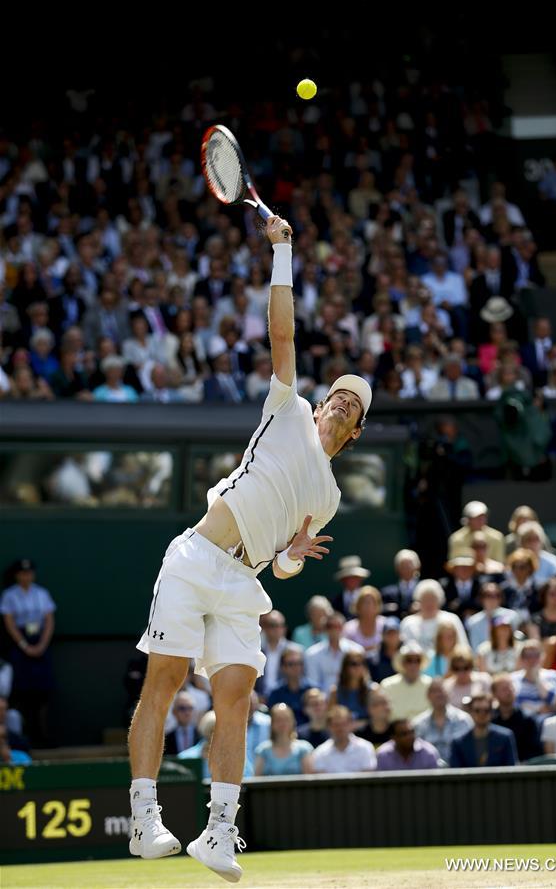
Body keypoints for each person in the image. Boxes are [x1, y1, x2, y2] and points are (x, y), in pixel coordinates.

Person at [128, 216, 373, 881]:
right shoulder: (286, 405)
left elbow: (288, 568)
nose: (341, 404)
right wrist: (284, 250)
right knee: (166, 677)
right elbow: (282, 331)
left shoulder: (323, 498)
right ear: (321, 402)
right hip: (196, 556)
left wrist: (293, 550)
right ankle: (145, 816)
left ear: (352, 433)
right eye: (339, 395)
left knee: (235, 700)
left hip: (242, 585)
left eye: (354, 407)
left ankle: (217, 831)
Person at [0, 559, 56, 746]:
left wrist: (42, 644)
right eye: (23, 573)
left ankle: (44, 736)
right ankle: (23, 737)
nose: (27, 576)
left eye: (29, 572)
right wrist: (24, 645)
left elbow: (49, 619)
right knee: (21, 691)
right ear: (17, 575)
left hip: (40, 642)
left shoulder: (42, 593)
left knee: (43, 691)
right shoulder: (9, 595)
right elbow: (9, 622)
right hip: (20, 644)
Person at [412, 678, 473, 762]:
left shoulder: (464, 720)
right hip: (429, 771)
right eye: (434, 691)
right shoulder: (418, 723)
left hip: (458, 771)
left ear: (449, 694)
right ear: (428, 696)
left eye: (442, 690)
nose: (439, 694)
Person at [400, 580, 468, 654]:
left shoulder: (451, 619)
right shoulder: (408, 623)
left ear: (440, 600)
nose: (429, 603)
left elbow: (463, 647)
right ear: (419, 601)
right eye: (425, 599)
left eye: (432, 599)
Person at [449, 693, 517, 767]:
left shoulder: (505, 738)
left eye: (486, 710)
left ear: (491, 712)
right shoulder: (458, 742)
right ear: (471, 712)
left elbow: (511, 769)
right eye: (477, 710)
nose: (482, 714)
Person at [305, 611, 363, 693]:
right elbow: (313, 685)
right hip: (322, 703)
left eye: (337, 626)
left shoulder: (357, 650)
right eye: (330, 626)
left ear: (343, 628)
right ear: (324, 629)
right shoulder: (312, 654)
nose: (334, 630)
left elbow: (361, 680)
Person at [491, 673, 542, 762]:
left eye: (511, 687)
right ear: (494, 694)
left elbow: (534, 753)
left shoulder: (528, 720)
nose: (510, 691)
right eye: (504, 689)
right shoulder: (490, 721)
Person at [311, 705, 377, 774]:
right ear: (329, 727)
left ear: (351, 724)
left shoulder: (365, 747)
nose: (340, 728)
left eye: (343, 724)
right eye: (336, 725)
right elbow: (322, 782)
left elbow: (368, 779)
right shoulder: (320, 752)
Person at [254, 703, 313, 776]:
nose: (282, 723)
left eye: (286, 719)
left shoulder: (304, 749)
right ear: (272, 723)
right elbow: (256, 780)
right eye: (278, 720)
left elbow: (309, 780)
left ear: (293, 722)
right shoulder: (262, 750)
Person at [380, 642, 432, 721]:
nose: (413, 664)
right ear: (402, 663)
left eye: (417, 660)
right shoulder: (387, 685)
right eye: (409, 660)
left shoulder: (430, 684)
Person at [511, 640, 556, 717]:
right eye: (527, 656)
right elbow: (511, 705)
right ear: (521, 659)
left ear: (543, 656)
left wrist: (537, 679)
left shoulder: (553, 676)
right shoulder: (513, 678)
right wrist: (537, 708)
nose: (532, 659)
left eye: (536, 655)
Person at [267, 647, 314, 726]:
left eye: (299, 663)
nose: (296, 667)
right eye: (291, 664)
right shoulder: (275, 693)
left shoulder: (313, 690)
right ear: (283, 667)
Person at [466, 583, 519, 651]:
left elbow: (516, 644)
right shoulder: (473, 622)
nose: (492, 599)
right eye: (488, 595)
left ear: (501, 599)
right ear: (481, 599)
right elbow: (475, 650)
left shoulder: (513, 617)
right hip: (483, 659)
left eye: (496, 596)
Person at [328, 650, 374, 728]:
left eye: (362, 663)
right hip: (343, 731)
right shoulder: (335, 691)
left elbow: (376, 718)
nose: (358, 667)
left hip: (368, 732)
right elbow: (331, 718)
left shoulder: (372, 690)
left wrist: (359, 724)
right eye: (354, 664)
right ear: (345, 667)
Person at [376, 718, 441, 770]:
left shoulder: (428, 753)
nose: (409, 737)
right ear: (394, 738)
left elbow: (435, 783)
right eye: (404, 734)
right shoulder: (383, 755)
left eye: (412, 732)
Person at [342, 586, 386, 658]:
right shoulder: (348, 628)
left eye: (372, 602)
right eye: (365, 603)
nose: (369, 606)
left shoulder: (386, 624)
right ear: (358, 606)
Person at [380, 549, 420, 616]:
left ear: (417, 567)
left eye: (409, 565)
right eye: (403, 566)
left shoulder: (425, 588)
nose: (406, 569)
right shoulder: (387, 593)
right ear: (397, 568)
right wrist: (388, 608)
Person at [368, 617, 402, 682]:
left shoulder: (408, 657)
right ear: (383, 636)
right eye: (389, 633)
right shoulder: (373, 659)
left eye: (395, 633)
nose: (392, 637)